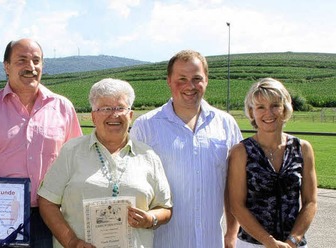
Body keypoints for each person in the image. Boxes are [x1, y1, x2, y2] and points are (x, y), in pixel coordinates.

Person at [0, 38, 83, 247]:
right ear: (6, 66)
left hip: (52, 216)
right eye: (22, 60)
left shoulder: (63, 108)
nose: (31, 67)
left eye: (36, 60)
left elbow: (77, 164)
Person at [38, 78, 173, 248]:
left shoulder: (148, 156)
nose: (114, 114)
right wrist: (71, 242)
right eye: (105, 108)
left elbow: (166, 208)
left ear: (130, 115)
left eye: (120, 108)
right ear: (93, 116)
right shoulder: (71, 152)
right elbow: (47, 202)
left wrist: (150, 219)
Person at [129, 50, 243, 247]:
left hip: (211, 241)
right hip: (163, 242)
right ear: (169, 81)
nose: (190, 86)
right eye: (181, 79)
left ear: (206, 80)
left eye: (196, 78)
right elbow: (131, 185)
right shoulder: (145, 126)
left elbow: (235, 186)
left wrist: (231, 234)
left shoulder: (226, 124)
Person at [228, 78, 317, 248]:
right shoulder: (241, 152)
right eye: (260, 107)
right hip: (253, 244)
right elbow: (237, 206)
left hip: (294, 244)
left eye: (275, 105)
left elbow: (310, 202)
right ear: (251, 112)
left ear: (285, 109)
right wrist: (269, 242)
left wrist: (292, 241)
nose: (268, 113)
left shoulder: (303, 149)